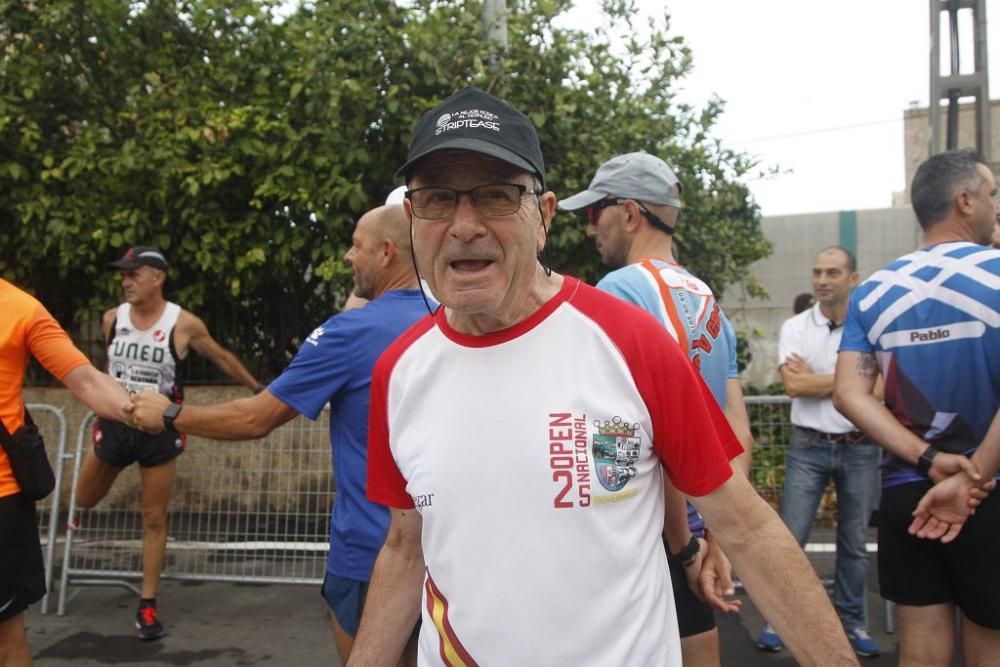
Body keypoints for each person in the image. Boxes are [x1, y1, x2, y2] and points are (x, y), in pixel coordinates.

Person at [347, 87, 857, 666]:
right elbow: (404, 547)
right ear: (413, 220)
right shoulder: (400, 369)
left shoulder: (630, 342)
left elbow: (747, 528)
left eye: (494, 196)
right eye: (439, 199)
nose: (465, 225)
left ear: (541, 217)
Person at [130, 205, 427, 664]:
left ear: (386, 252)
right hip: (445, 555)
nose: (349, 256)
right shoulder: (455, 323)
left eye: (357, 245)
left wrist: (169, 413)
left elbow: (256, 418)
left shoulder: (348, 332)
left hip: (369, 554)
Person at [558, 151, 753, 667]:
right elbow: (739, 433)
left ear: (628, 213)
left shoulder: (617, 293)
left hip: (646, 530)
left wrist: (683, 544)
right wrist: (718, 538)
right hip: (700, 519)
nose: (589, 229)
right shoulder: (706, 298)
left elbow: (628, 436)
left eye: (593, 213)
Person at [834, 149, 1000, 666]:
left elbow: (849, 393)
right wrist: (972, 479)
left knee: (921, 648)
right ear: (966, 200)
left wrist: (928, 460)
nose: (996, 206)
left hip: (909, 493)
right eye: (992, 193)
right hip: (990, 494)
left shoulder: (873, 292)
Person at [74, 246, 263, 640]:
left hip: (158, 431)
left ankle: (147, 603)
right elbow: (99, 373)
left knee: (154, 517)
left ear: (157, 277)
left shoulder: (183, 322)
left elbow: (221, 357)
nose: (125, 281)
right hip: (116, 425)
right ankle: (75, 518)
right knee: (85, 498)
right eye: (123, 275)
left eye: (134, 274)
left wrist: (258, 389)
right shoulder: (113, 319)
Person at [753, 246, 882, 656]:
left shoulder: (869, 326)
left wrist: (820, 380)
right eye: (817, 272)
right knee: (790, 538)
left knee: (854, 543)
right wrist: (848, 384)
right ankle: (780, 620)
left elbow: (879, 391)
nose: (822, 280)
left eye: (832, 272)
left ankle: (853, 622)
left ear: (853, 278)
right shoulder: (795, 326)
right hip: (808, 445)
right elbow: (794, 387)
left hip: (859, 447)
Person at [1, 277, 133, 667]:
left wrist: (144, 411)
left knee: (6, 636)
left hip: (2, 500)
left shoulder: (21, 308)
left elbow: (86, 378)